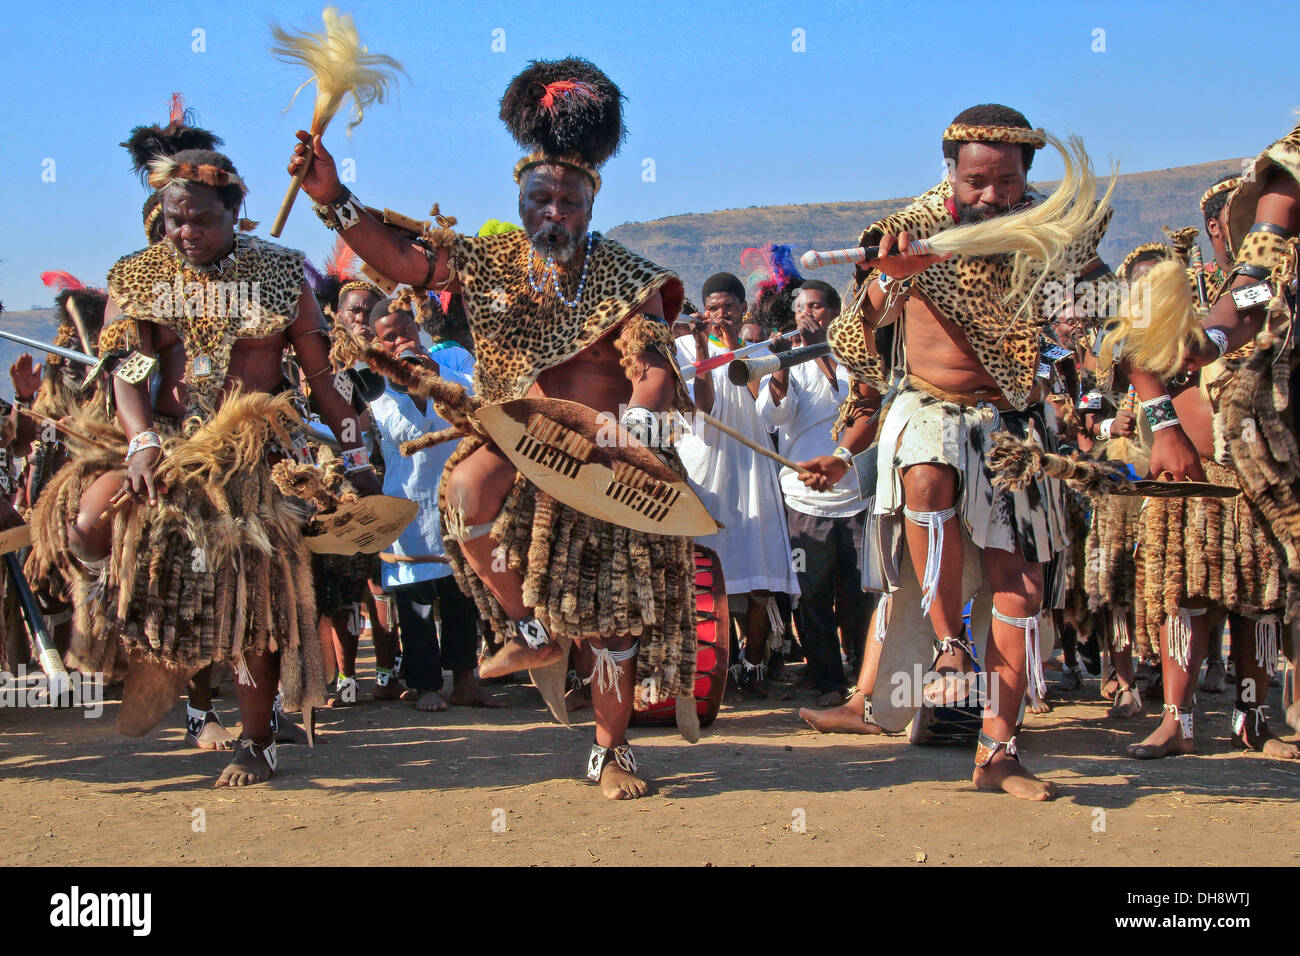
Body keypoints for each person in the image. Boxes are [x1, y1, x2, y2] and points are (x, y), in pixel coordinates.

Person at [291, 57, 698, 799]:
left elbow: (652, 364)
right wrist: (334, 197)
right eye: (539, 198)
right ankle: (529, 629)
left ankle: (612, 751)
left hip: (606, 460)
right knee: (465, 490)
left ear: (589, 203)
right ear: (520, 200)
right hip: (520, 444)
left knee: (611, 626)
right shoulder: (489, 260)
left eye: (566, 200)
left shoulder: (627, 275)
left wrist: (637, 418)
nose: (552, 213)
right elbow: (406, 263)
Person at [31, 146, 380, 787]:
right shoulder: (139, 276)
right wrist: (139, 441)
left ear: (237, 211)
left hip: (250, 455)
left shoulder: (281, 275)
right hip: (163, 443)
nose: (185, 233)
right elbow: (128, 369)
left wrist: (356, 452)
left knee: (250, 599)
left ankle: (256, 740)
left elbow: (322, 379)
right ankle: (131, 626)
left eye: (201, 220)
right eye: (173, 220)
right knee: (85, 524)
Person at [800, 104, 1112, 800]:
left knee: (1023, 590)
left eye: (1005, 182)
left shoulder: (1047, 232)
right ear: (952, 172)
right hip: (928, 404)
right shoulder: (909, 228)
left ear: (1026, 177)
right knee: (930, 471)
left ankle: (997, 752)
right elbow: (859, 333)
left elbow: (1103, 298)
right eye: (976, 181)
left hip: (1011, 420)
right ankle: (948, 645)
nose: (990, 197)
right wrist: (891, 274)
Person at [367, 294, 496, 711]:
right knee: (416, 599)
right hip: (408, 507)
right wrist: (409, 385)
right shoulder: (373, 387)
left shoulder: (453, 364)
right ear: (376, 343)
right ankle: (424, 686)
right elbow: (401, 430)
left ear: (419, 331)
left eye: (406, 331)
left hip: (454, 503)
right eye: (390, 337)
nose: (400, 341)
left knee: (461, 595)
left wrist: (434, 373)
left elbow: (479, 403)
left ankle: (464, 680)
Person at [676, 271, 800, 698]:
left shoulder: (760, 349)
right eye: (714, 309)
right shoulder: (683, 351)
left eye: (729, 308)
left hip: (751, 472)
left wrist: (733, 349)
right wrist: (699, 346)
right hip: (708, 470)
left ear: (742, 309)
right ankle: (712, 665)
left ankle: (754, 665)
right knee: (706, 574)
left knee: (759, 574)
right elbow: (700, 409)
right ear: (703, 311)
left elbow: (763, 408)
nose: (721, 315)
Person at [756, 280, 872, 706]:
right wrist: (782, 367)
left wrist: (823, 351)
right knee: (813, 594)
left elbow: (865, 410)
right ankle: (828, 682)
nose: (808, 315)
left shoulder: (854, 359)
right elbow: (772, 416)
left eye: (818, 307)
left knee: (862, 593)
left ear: (834, 313)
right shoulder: (786, 360)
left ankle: (865, 678)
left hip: (856, 494)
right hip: (804, 499)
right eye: (802, 307)